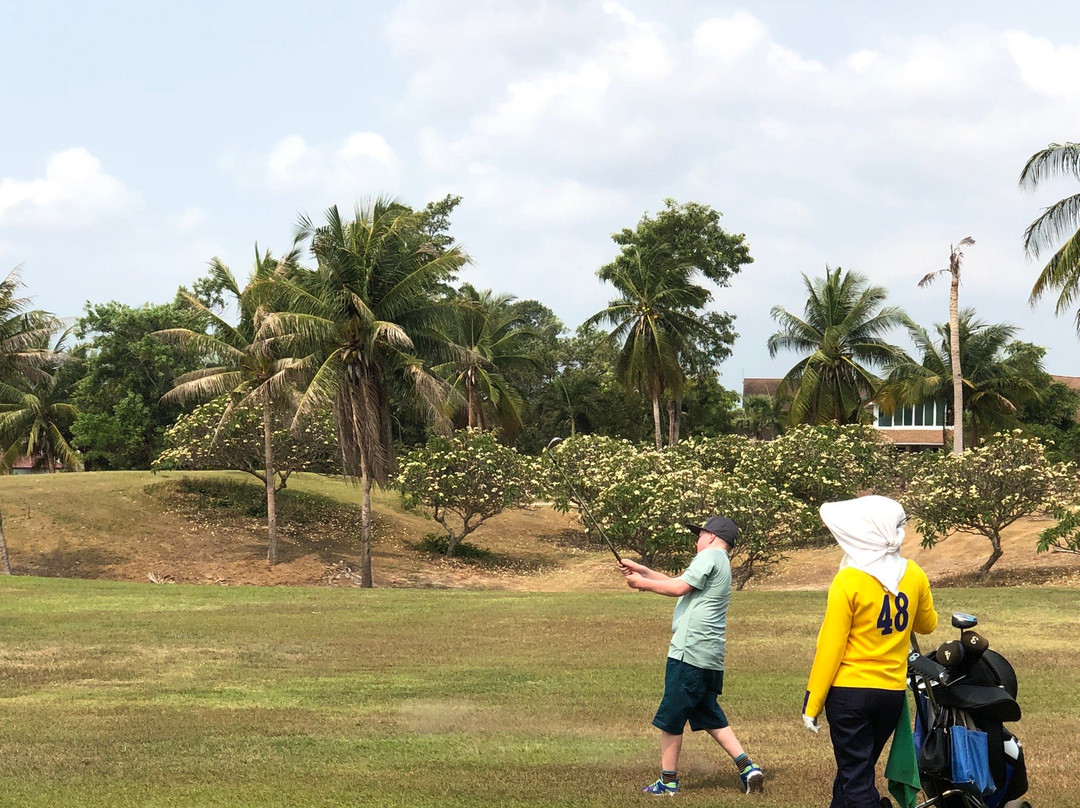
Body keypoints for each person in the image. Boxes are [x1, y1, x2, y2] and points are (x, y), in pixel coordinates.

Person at [803, 495, 938, 808]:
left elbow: (831, 647)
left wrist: (813, 703)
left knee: (856, 780)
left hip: (850, 694)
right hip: (890, 694)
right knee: (854, 772)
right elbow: (927, 624)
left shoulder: (848, 580)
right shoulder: (914, 573)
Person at [621, 514, 764, 796]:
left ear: (711, 536)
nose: (697, 540)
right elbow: (679, 581)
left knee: (671, 718)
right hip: (710, 655)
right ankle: (748, 768)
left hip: (688, 652)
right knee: (708, 713)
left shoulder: (709, 555)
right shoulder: (720, 562)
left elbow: (678, 588)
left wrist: (641, 584)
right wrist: (642, 570)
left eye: (699, 535)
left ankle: (667, 782)